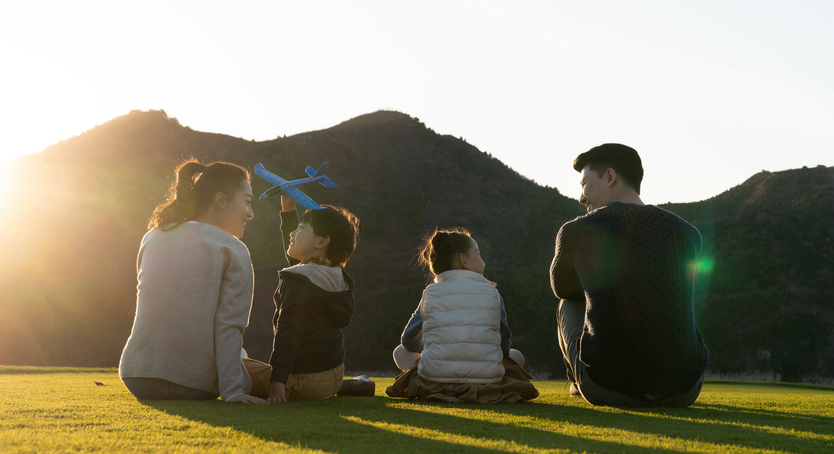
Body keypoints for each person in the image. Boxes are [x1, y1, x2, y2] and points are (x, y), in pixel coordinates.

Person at [550, 143, 709, 407]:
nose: (581, 197)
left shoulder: (577, 230)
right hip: (683, 390)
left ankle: (578, 383)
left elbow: (562, 288)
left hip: (608, 387)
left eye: (585, 183)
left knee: (567, 302)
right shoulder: (688, 234)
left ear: (610, 177)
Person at [118, 159, 271, 404]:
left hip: (137, 378)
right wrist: (233, 391)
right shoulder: (232, 247)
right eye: (247, 202)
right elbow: (228, 326)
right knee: (270, 377)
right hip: (193, 386)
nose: (251, 214)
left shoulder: (153, 236)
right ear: (221, 200)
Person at [386, 228, 539, 404]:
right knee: (516, 355)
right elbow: (503, 346)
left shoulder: (430, 293)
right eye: (479, 255)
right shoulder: (492, 293)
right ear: (463, 259)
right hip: (486, 379)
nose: (483, 263)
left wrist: (440, 348)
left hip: (436, 379)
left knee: (400, 351)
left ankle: (440, 374)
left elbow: (408, 341)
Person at [267, 194, 359, 402]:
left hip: (304, 381)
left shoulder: (300, 280)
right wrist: (288, 212)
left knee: (237, 367)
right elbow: (297, 261)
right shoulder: (333, 275)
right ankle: (359, 385)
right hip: (333, 376)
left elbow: (289, 331)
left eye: (300, 229)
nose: (292, 233)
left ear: (322, 241)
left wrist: (277, 382)